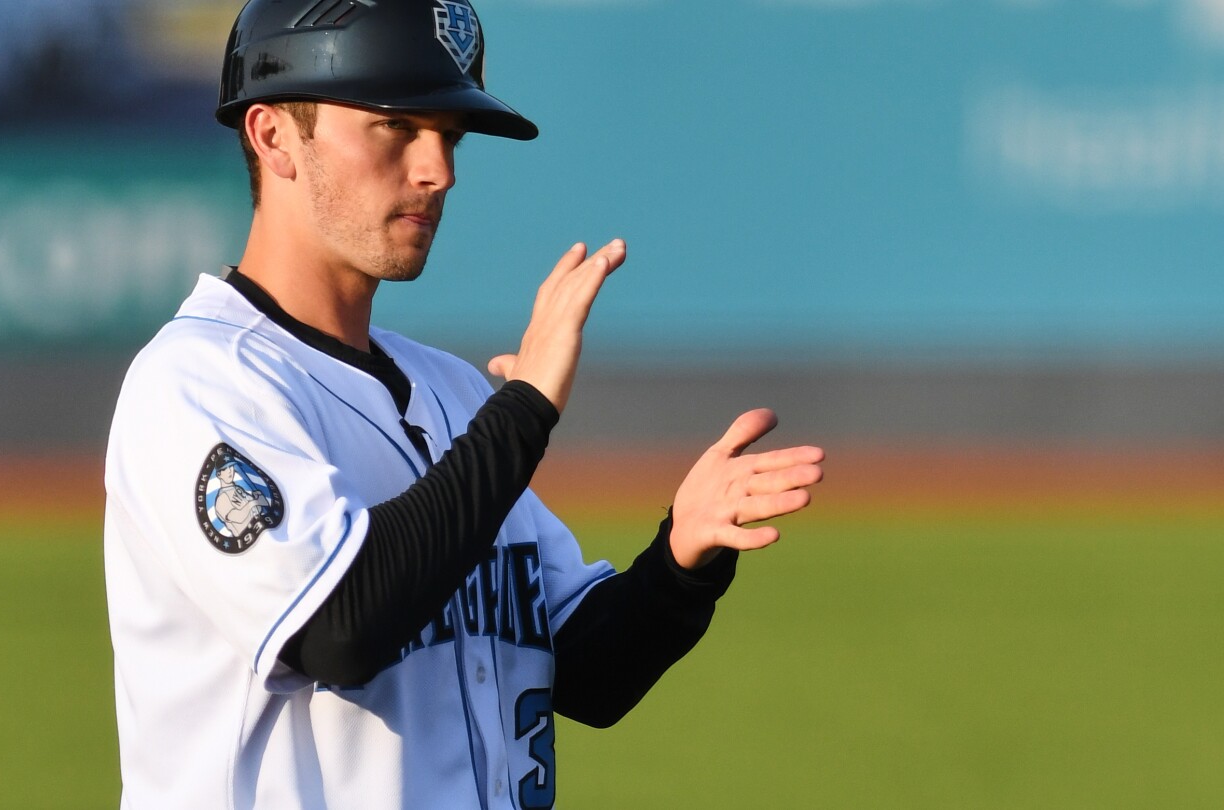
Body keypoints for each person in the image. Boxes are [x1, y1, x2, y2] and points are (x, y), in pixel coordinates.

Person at [102, 1, 825, 807]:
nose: (438, 168)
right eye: (396, 126)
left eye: (448, 133)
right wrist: (521, 416)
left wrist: (679, 564)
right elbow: (339, 628)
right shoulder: (201, 383)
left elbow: (588, 670)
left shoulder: (448, 391)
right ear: (273, 137)